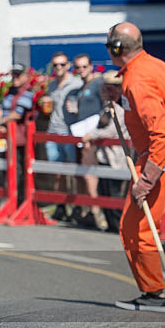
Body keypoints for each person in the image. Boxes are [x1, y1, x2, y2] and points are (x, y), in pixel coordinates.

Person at [105, 22, 165, 312]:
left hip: (158, 159)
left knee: (135, 229)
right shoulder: (152, 66)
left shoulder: (138, 79)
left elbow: (161, 133)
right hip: (156, 157)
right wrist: (118, 99)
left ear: (117, 49)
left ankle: (154, 294)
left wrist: (147, 179)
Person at [81, 70, 128, 231]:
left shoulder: (120, 108)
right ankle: (110, 223)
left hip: (116, 156)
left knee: (114, 192)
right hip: (104, 155)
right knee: (104, 190)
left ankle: (118, 224)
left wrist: (92, 135)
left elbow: (112, 130)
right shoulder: (107, 107)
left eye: (112, 86)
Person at [66, 54, 105, 227]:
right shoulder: (82, 87)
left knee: (89, 173)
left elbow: (105, 108)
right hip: (81, 135)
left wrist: (95, 133)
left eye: (84, 67)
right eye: (78, 67)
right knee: (81, 173)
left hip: (91, 137)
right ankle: (88, 210)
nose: (81, 70)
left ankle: (97, 212)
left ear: (91, 67)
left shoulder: (98, 83)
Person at [42, 52, 82, 221]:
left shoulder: (76, 83)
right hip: (53, 131)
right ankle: (60, 206)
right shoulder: (52, 85)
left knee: (74, 172)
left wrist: (78, 109)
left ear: (68, 66)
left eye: (62, 64)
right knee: (57, 172)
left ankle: (78, 207)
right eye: (55, 65)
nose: (58, 67)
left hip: (69, 131)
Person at [0, 63, 36, 200]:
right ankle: (8, 197)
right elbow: (1, 107)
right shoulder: (10, 92)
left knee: (19, 168)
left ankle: (19, 199)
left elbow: (18, 114)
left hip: (20, 138)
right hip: (6, 135)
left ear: (25, 76)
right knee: (6, 166)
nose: (15, 78)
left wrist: (1, 121)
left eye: (18, 75)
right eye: (13, 75)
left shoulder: (28, 93)